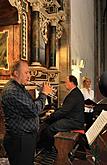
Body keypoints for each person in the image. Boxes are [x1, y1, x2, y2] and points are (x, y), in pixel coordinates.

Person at [1, 60, 53, 165]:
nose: (29, 76)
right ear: (16, 73)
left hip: (25, 138)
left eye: (29, 72)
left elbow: (30, 105)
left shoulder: (20, 88)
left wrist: (43, 94)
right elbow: (34, 110)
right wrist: (43, 94)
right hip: (20, 140)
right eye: (26, 72)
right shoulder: (12, 91)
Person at [38, 75, 85, 152]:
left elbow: (64, 111)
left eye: (66, 82)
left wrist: (51, 116)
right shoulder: (76, 92)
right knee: (51, 123)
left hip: (73, 122)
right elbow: (65, 108)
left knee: (50, 129)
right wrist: (55, 111)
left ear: (71, 83)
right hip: (74, 119)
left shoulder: (74, 95)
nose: (65, 84)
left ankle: (48, 151)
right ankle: (50, 147)